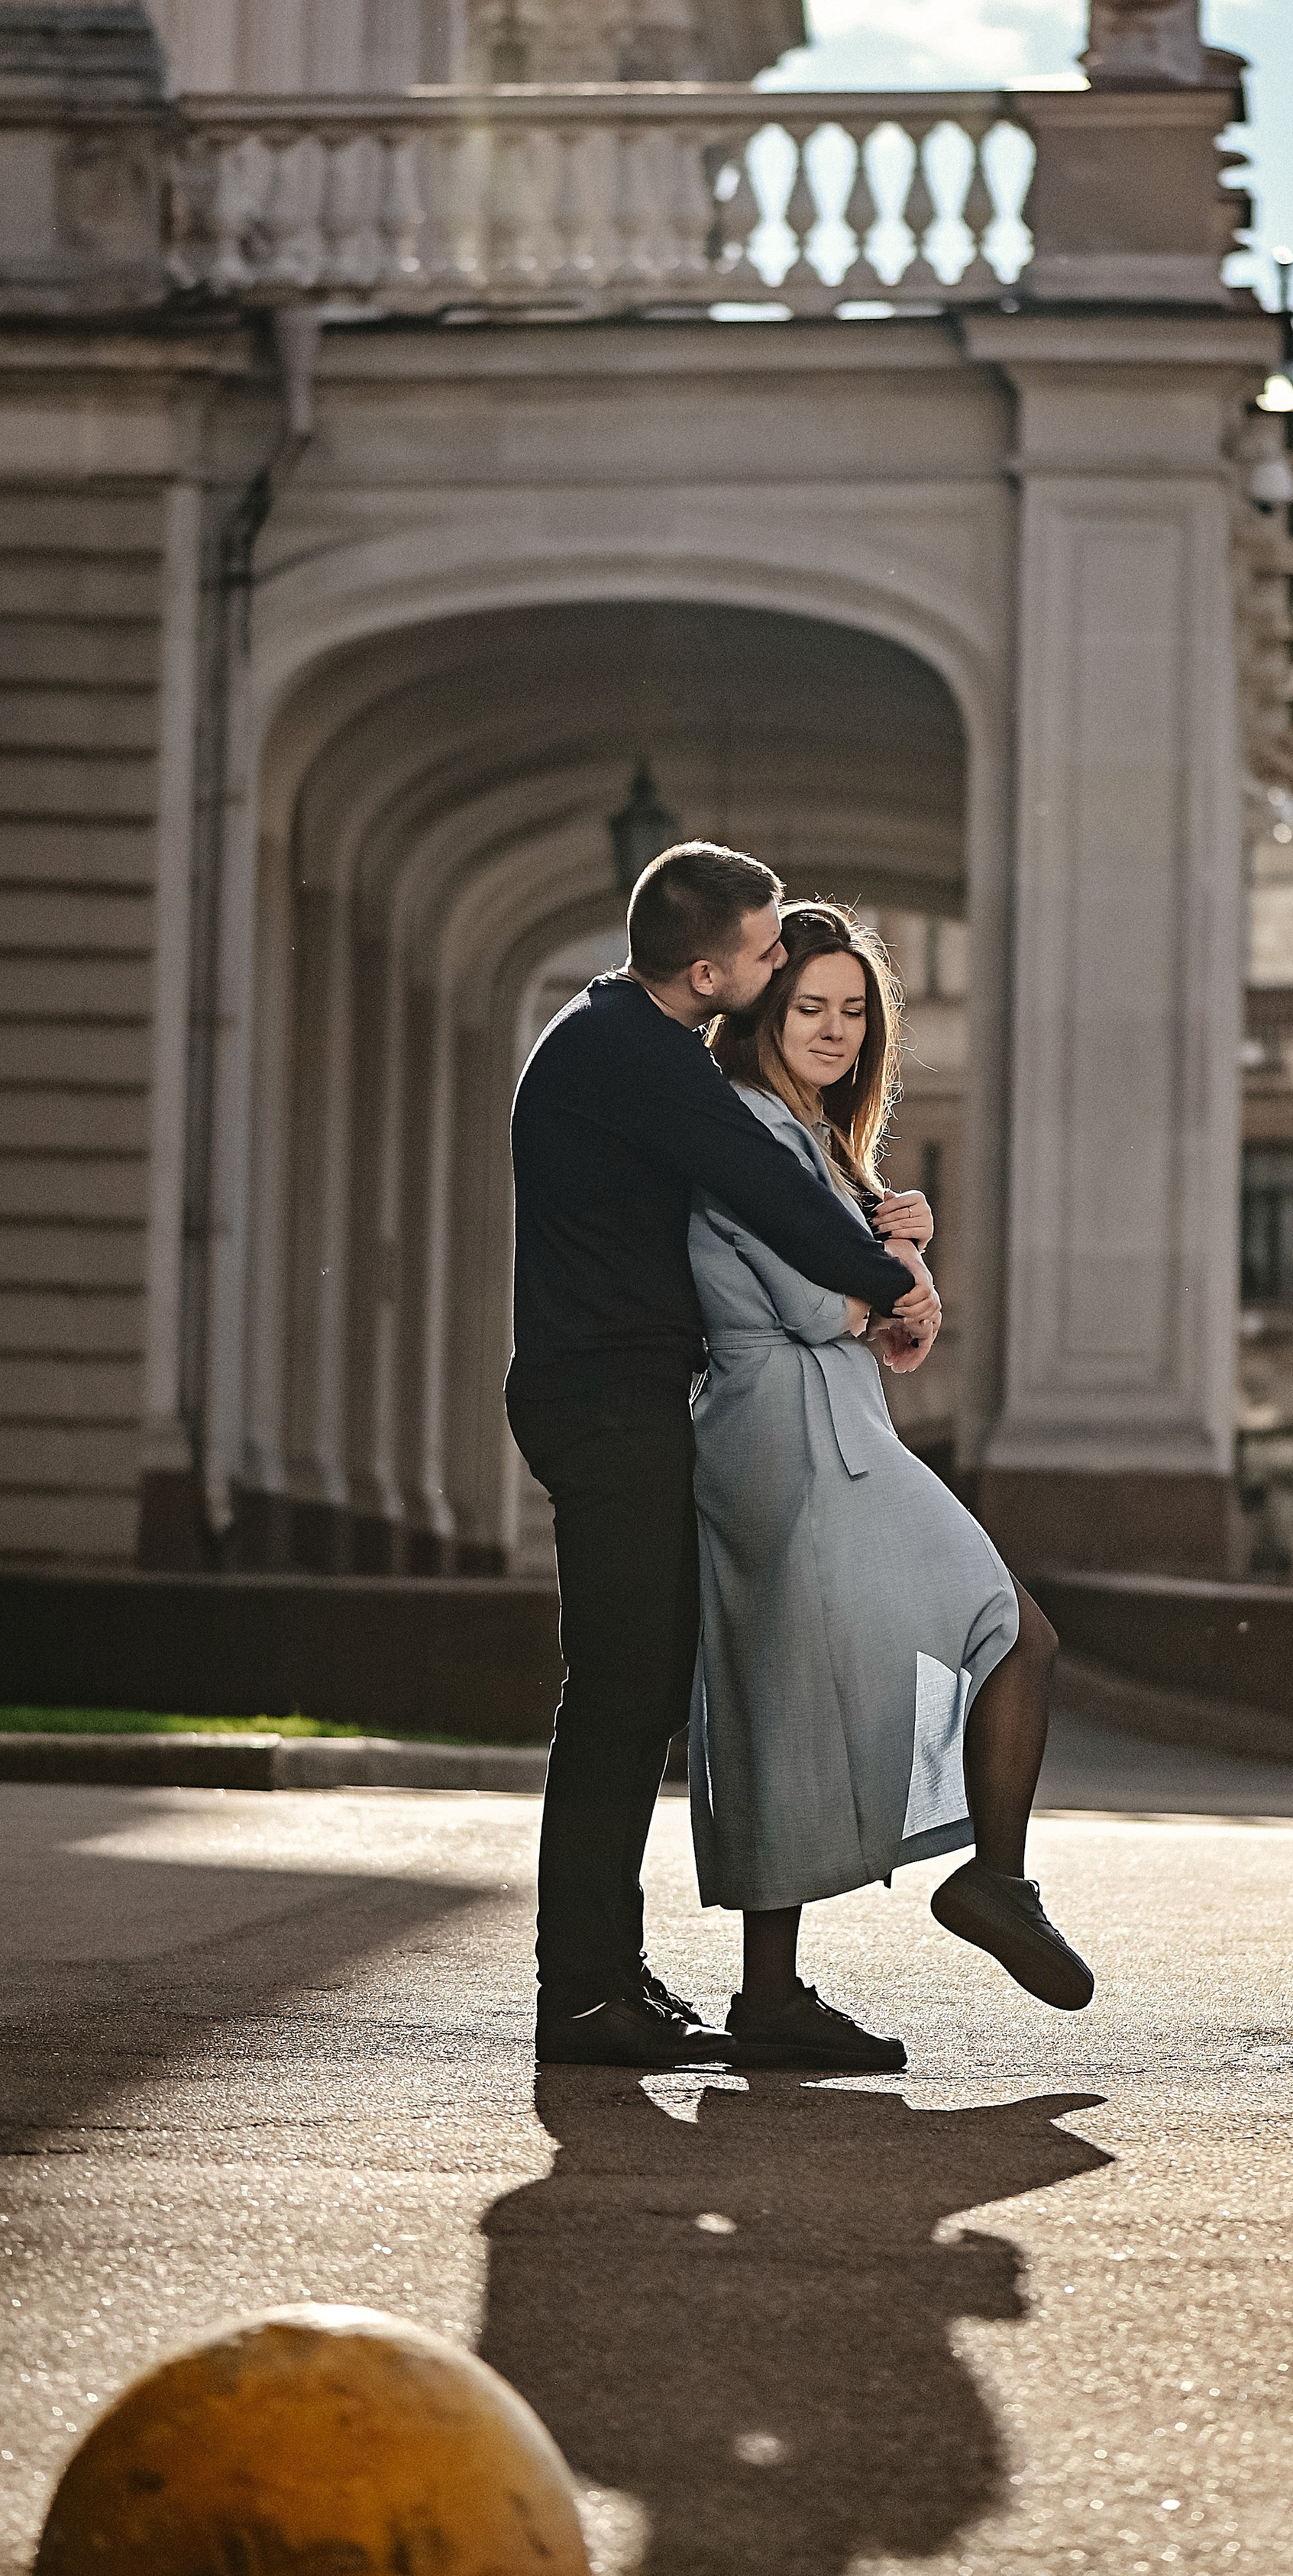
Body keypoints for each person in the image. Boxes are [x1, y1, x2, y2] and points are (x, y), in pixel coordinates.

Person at [508, 843, 940, 2070]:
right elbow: (761, 1186)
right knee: (618, 1697)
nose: (776, 965)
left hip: (613, 1390)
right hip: (606, 1399)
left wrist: (881, 1238)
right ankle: (582, 1993)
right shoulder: (638, 1056)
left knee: (630, 1692)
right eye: (764, 954)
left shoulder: (613, 1034)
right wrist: (886, 1278)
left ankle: (599, 1971)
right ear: (707, 971)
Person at [687, 902, 1091, 2072]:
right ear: (764, 1011)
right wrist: (887, 1273)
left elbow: (891, 1332)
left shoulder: (810, 1142)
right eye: (809, 1005)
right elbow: (814, 1306)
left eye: (854, 1011)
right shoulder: (751, 1132)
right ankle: (995, 1882)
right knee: (1015, 1631)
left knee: (791, 1708)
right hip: (796, 1441)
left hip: (820, 1432)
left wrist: (895, 1246)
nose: (834, 1029)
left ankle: (772, 1995)